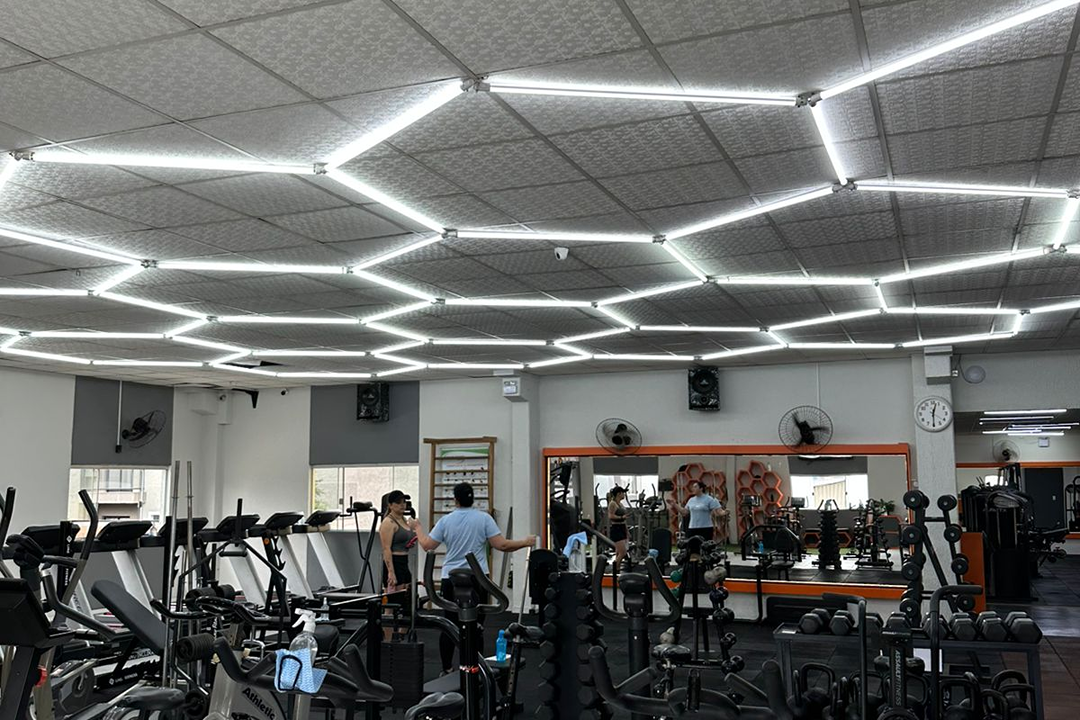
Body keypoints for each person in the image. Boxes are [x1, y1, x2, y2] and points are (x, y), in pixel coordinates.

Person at [411, 482, 536, 675]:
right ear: (473, 499)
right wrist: (525, 542)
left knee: (449, 624)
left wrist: (418, 527)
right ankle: (475, 670)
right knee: (475, 625)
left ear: (455, 500)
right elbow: (502, 545)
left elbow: (427, 545)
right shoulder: (483, 518)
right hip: (478, 579)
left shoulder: (446, 521)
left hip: (451, 579)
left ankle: (447, 669)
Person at [378, 490, 415, 637]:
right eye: (398, 503)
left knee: (407, 601)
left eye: (404, 502)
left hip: (404, 562)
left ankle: (399, 636)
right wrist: (391, 572)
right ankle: (387, 640)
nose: (402, 505)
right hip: (393, 563)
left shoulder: (404, 520)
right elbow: (386, 549)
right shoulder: (388, 522)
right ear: (390, 505)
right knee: (392, 604)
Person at [607, 486, 629, 572]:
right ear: (619, 493)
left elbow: (624, 520)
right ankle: (615, 568)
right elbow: (610, 516)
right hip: (616, 529)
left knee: (618, 552)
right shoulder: (612, 504)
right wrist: (621, 517)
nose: (624, 495)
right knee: (623, 552)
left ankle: (617, 570)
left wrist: (627, 531)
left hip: (622, 528)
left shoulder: (621, 504)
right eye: (623, 493)